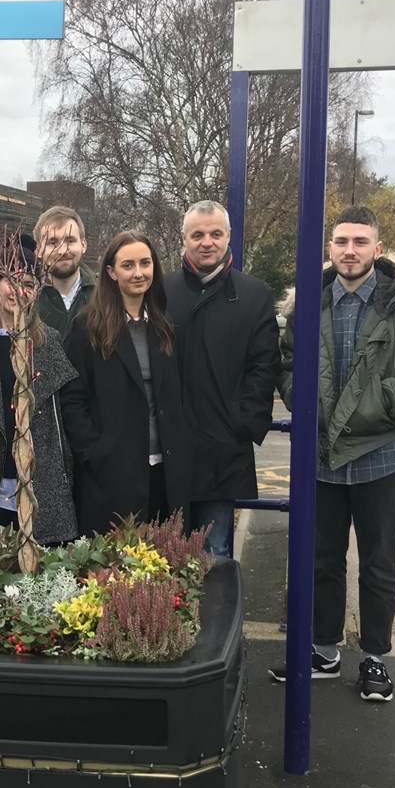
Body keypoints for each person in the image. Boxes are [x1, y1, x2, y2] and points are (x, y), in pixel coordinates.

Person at [271, 206, 395, 702]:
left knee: (379, 563)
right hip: (322, 460)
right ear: (329, 249)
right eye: (340, 241)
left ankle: (374, 659)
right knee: (321, 560)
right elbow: (284, 367)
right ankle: (324, 652)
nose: (349, 250)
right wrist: (306, 401)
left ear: (378, 249)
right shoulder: (308, 306)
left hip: (384, 458)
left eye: (360, 242)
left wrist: (375, 407)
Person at [164, 200, 280, 557]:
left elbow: (265, 366)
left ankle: (216, 617)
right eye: (197, 235)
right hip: (169, 452)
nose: (207, 242)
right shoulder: (161, 291)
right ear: (183, 239)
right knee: (163, 556)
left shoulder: (254, 294)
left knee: (216, 558)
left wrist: (243, 424)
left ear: (229, 236)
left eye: (215, 234)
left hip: (223, 452)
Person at [61, 230, 192, 536]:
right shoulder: (87, 327)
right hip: (112, 475)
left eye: (145, 264)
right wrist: (96, 453)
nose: (138, 273)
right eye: (128, 265)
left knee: (164, 571)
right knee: (114, 574)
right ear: (111, 271)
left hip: (166, 472)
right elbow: (72, 400)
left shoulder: (166, 325)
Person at [0, 255, 79, 545]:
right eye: (11, 281)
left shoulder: (47, 342)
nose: (18, 290)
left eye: (28, 283)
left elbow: (63, 419)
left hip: (40, 492)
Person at [33, 205, 96, 335]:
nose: (62, 251)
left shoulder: (105, 293)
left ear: (83, 245)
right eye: (53, 243)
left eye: (70, 240)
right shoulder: (27, 298)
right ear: (38, 250)